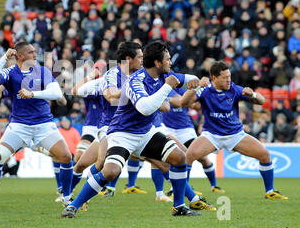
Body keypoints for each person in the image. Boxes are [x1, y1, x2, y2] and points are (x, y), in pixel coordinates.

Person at [61, 41, 203, 218]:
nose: (170, 62)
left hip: (145, 131)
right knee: (108, 170)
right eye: (167, 59)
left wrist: (197, 81)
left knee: (178, 157)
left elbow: (183, 81)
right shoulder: (132, 80)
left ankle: (180, 206)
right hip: (121, 132)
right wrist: (166, 88)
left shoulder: (159, 75)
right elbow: (143, 107)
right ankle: (72, 205)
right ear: (157, 63)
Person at [0, 41, 73, 209]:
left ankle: (67, 198)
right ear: (19, 56)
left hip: (44, 124)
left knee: (66, 157)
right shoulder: (10, 72)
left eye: (35, 52)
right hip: (19, 126)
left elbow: (56, 92)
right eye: (30, 52)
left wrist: (33, 94)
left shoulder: (42, 71)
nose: (35, 55)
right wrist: (4, 58)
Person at [181, 60, 288, 200]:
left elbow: (262, 101)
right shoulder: (205, 90)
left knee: (265, 155)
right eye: (225, 77)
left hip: (235, 135)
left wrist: (253, 95)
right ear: (214, 78)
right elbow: (183, 102)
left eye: (229, 76)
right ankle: (185, 191)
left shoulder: (234, 89)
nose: (228, 80)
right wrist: (195, 88)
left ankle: (270, 191)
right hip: (211, 135)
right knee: (189, 156)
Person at [69, 42, 143, 201]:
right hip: (107, 128)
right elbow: (75, 91)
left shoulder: (137, 77)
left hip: (122, 128)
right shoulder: (101, 83)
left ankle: (78, 195)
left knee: (83, 164)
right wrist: (90, 76)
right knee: (97, 161)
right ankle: (71, 196)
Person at [163, 88, 225, 193]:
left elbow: (197, 105)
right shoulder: (162, 90)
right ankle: (176, 189)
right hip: (168, 129)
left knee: (203, 158)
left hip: (186, 130)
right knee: (172, 159)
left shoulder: (184, 91)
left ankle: (214, 185)